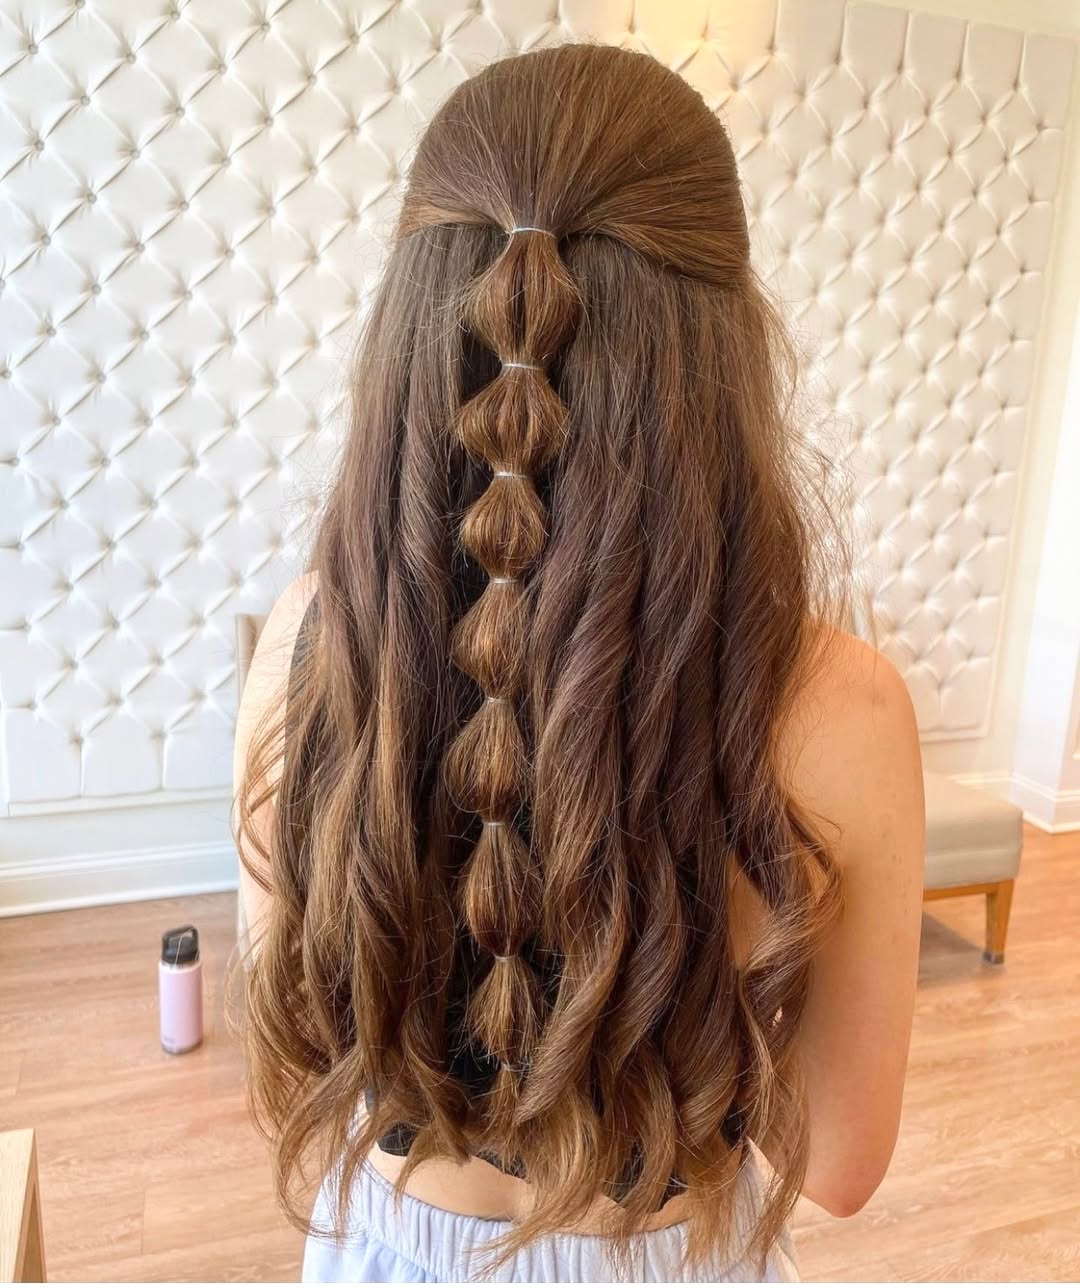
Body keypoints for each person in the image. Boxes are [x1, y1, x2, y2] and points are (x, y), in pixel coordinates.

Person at [233, 42, 925, 1284]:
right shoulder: (842, 711)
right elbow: (842, 1160)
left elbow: (297, 1034)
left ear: (410, 336)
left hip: (383, 1246)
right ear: (722, 353)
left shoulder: (307, 646)